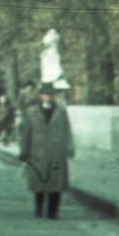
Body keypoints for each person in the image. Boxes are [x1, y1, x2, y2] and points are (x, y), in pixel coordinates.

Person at [21, 83, 75, 218]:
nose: (47, 97)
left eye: (50, 94)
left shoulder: (61, 112)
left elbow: (67, 130)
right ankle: (39, 208)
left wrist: (69, 148)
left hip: (56, 152)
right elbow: (26, 132)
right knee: (39, 184)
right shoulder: (31, 112)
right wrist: (24, 151)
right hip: (37, 151)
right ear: (40, 96)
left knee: (56, 185)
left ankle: (53, 212)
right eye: (45, 94)